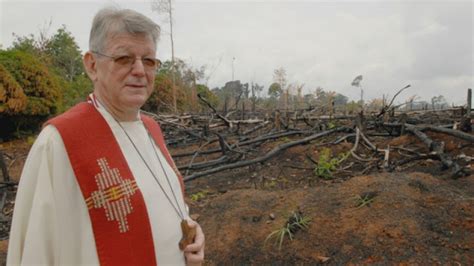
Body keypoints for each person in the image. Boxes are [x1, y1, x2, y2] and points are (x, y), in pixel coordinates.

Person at [7, 7, 205, 266]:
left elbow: (162, 206)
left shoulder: (151, 128)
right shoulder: (59, 142)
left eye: (149, 61)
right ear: (91, 65)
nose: (139, 71)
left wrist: (192, 230)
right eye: (124, 58)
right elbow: (37, 250)